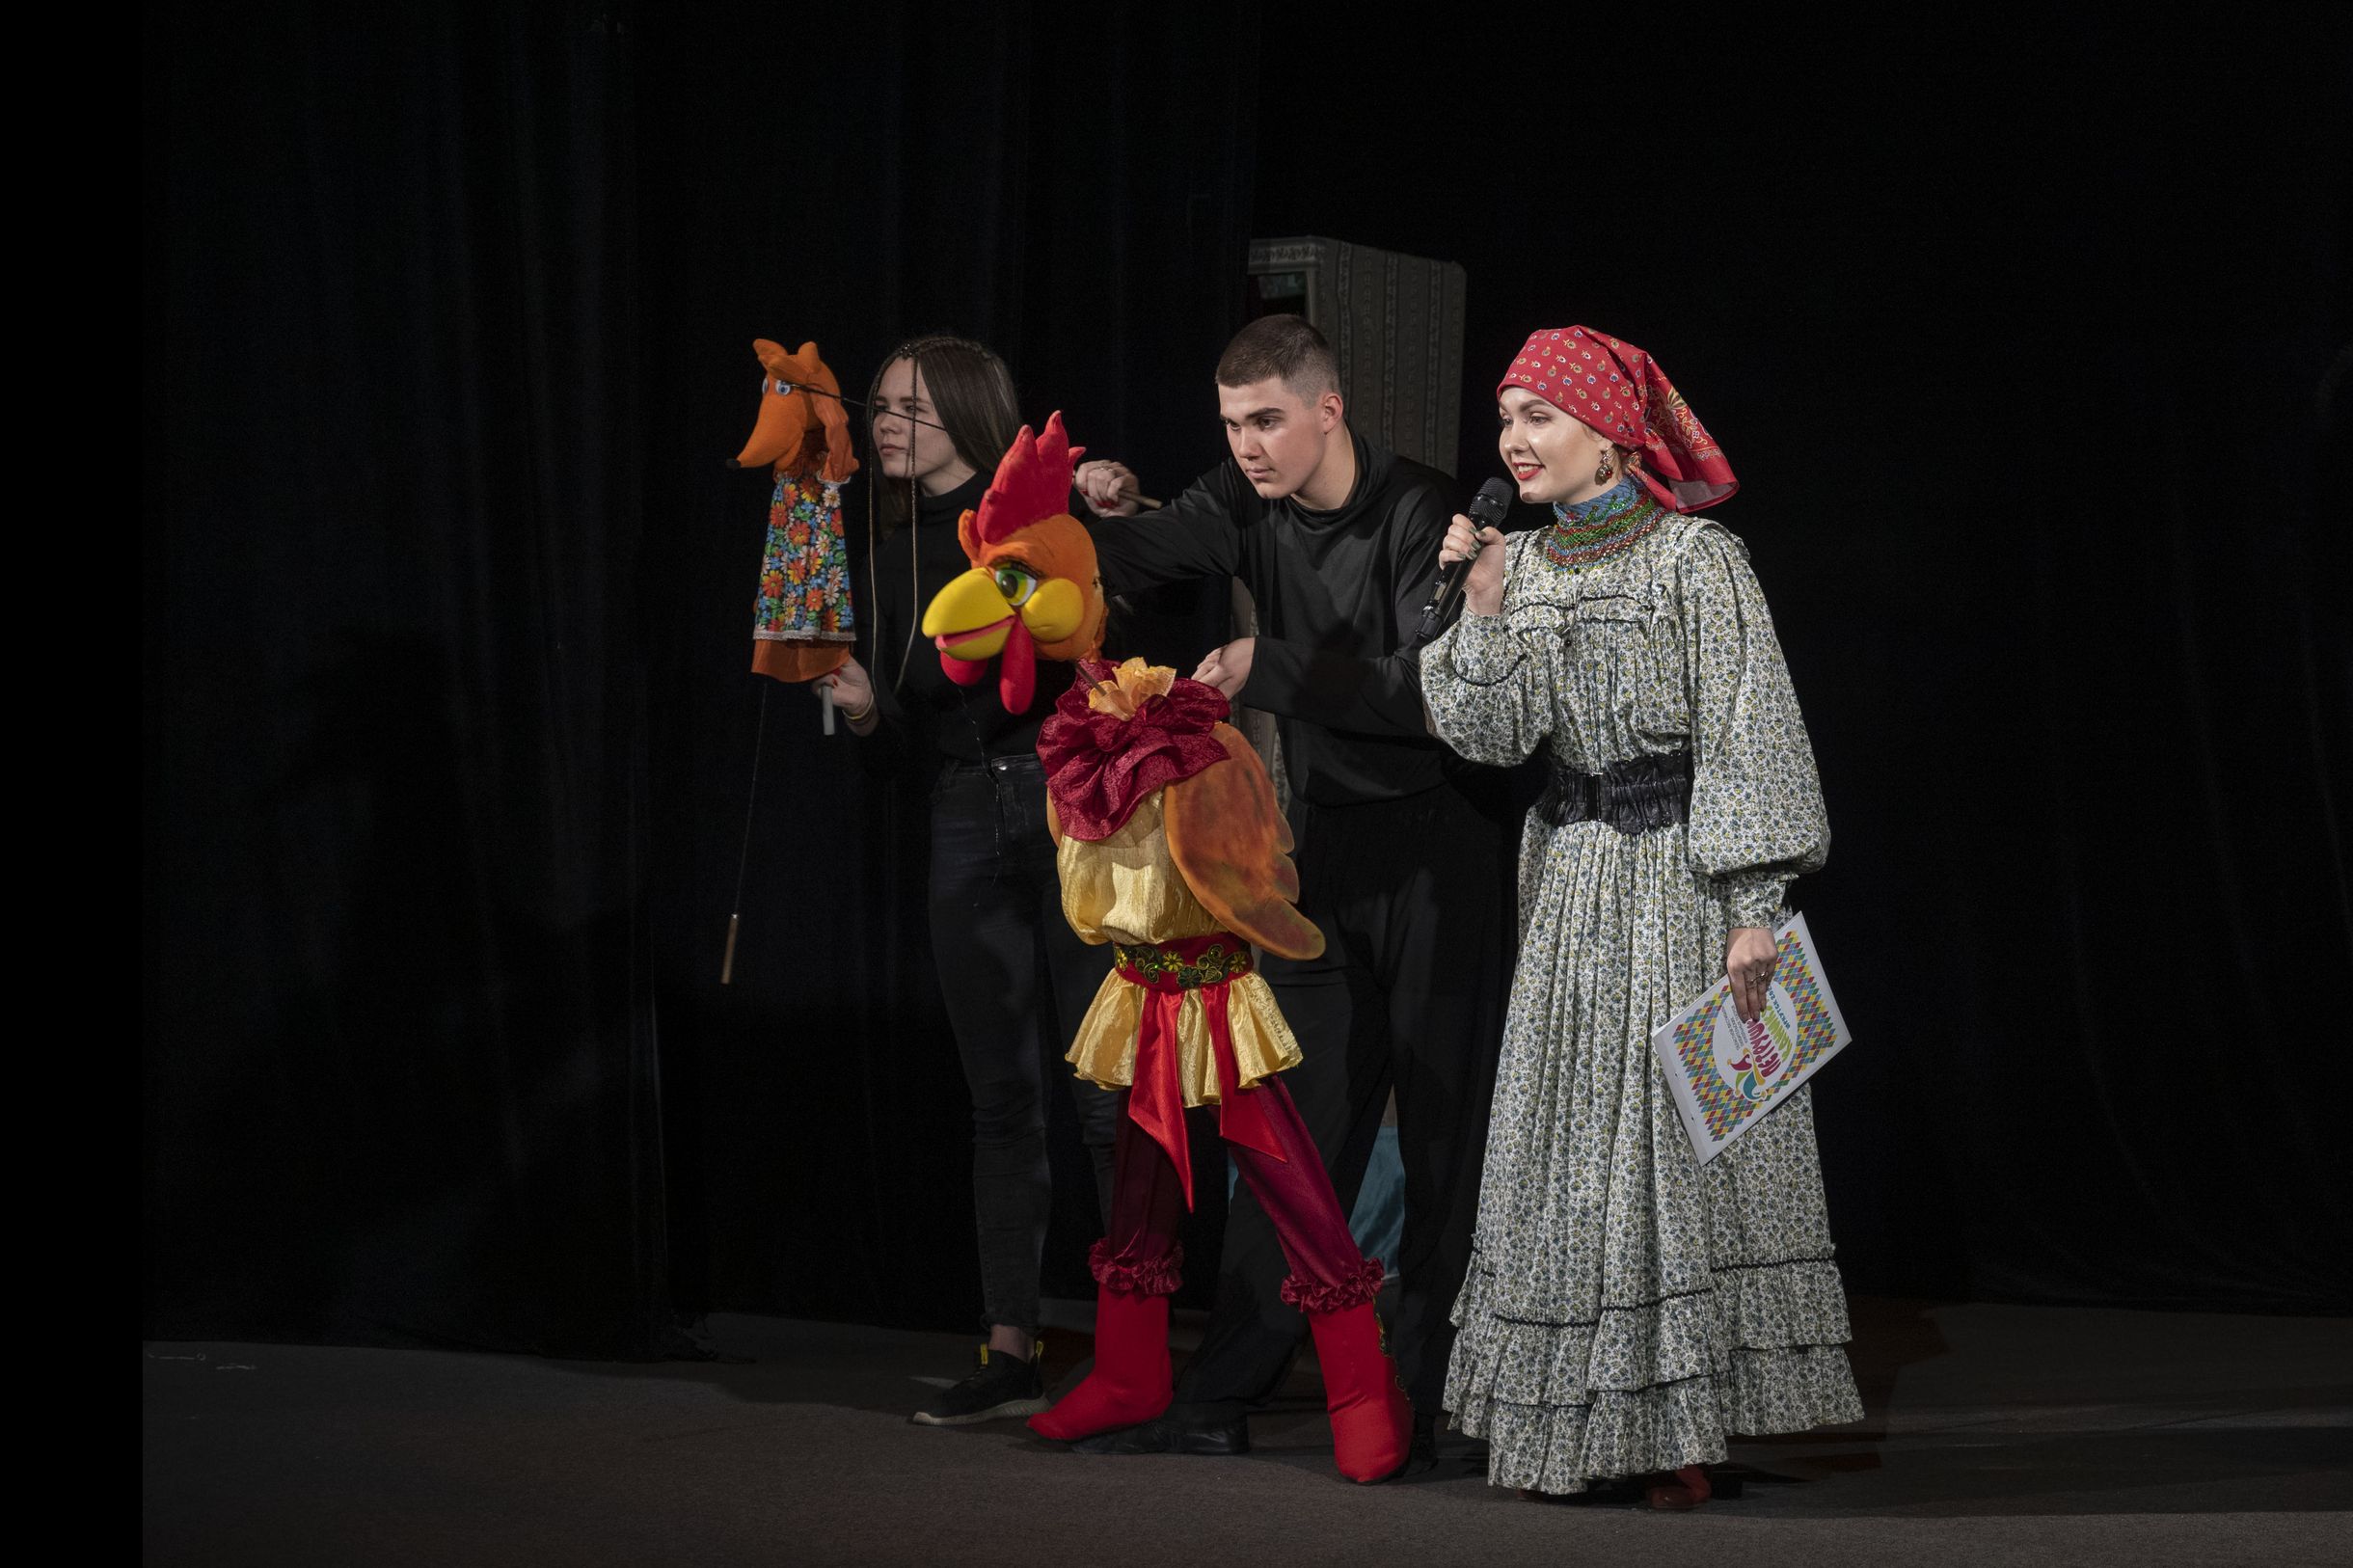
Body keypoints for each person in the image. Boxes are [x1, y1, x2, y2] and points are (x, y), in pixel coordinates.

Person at [1421, 326, 1863, 1507]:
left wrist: (1755, 906)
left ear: (1610, 435)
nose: (1513, 441)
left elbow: (1749, 726)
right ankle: (1573, 1426)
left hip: (1678, 880)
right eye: (1505, 418)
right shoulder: (1520, 563)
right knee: (1565, 1147)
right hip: (1571, 882)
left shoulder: (1695, 560)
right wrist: (1481, 606)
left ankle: (1677, 1428)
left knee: (1672, 1150)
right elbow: (1489, 738)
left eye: (1539, 417)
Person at [1071, 314, 1512, 1463]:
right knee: (1288, 1136)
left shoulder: (1418, 511)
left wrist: (1264, 667)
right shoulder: (1243, 496)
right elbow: (1141, 556)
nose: (1248, 445)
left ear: (1329, 409)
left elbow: (1425, 691)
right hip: (1323, 849)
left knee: (1445, 1137)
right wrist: (1086, 512)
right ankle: (1219, 1395)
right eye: (1231, 424)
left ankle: (1438, 1403)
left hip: (1443, 848)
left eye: (1267, 420)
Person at [818, 336, 1121, 1426]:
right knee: (1002, 1101)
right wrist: (865, 712)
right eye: (881, 406)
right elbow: (902, 754)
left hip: (1064, 806)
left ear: (965, 413)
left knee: (1103, 1093)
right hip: (960, 816)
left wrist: (1106, 494)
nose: (888, 424)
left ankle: (1134, 1344)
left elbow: (1100, 631)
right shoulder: (884, 550)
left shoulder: (1032, 520)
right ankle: (1009, 1347)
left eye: (911, 407)